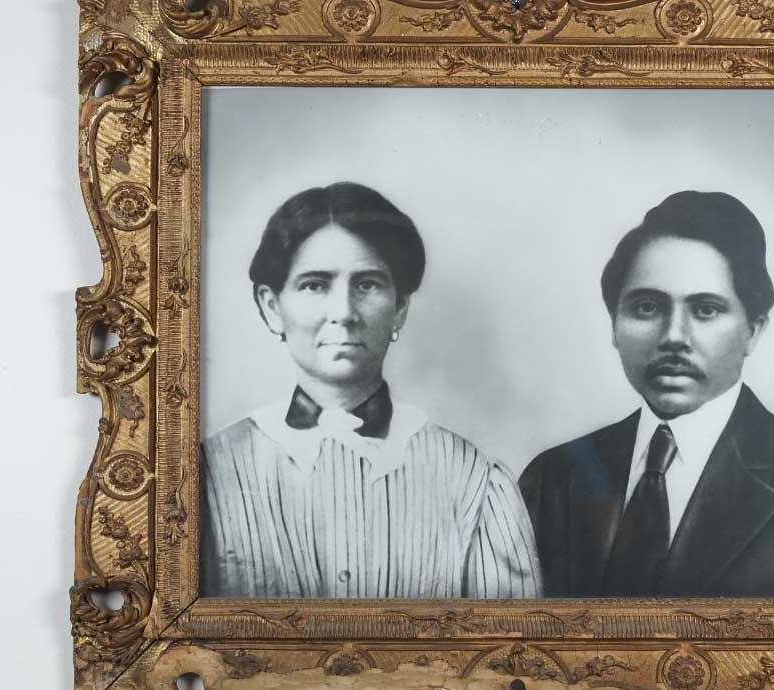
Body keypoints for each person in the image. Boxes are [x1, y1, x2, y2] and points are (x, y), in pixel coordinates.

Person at [201, 182, 540, 599]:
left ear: (399, 307)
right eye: (314, 284)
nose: (343, 312)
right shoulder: (208, 474)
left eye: (367, 284)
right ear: (273, 307)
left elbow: (507, 650)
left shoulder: (473, 481)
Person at [519, 191, 774, 598]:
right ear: (613, 324)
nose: (673, 337)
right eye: (646, 308)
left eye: (705, 309)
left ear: (754, 329)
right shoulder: (552, 478)